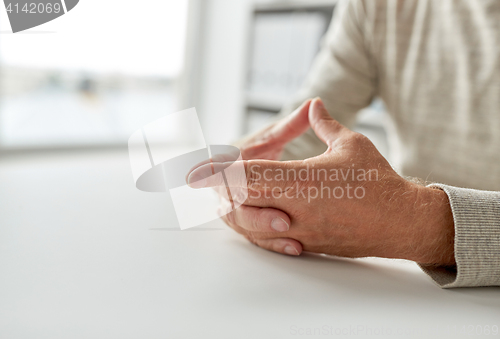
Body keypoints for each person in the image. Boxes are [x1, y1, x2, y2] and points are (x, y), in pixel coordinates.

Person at [189, 0, 500, 288]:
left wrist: (419, 224)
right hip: (408, 290)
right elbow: (305, 128)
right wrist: (246, 168)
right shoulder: (377, 6)